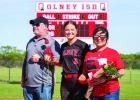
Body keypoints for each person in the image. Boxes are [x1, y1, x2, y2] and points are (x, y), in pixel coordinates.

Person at [79, 26, 125, 100]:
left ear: (107, 39)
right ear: (93, 38)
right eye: (96, 36)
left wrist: (106, 78)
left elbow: (121, 72)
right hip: (94, 92)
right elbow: (85, 72)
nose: (99, 38)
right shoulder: (88, 54)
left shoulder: (113, 52)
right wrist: (83, 78)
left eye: (102, 36)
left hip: (110, 92)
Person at [21, 16, 60, 100]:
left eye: (37, 24)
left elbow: (58, 61)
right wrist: (22, 79)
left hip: (44, 85)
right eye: (33, 25)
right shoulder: (30, 41)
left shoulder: (52, 42)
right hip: (28, 85)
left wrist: (40, 59)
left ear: (46, 27)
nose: (34, 26)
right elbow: (25, 61)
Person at [59, 20, 90, 100]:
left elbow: (88, 63)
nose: (69, 32)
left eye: (72, 29)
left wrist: (85, 75)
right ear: (64, 31)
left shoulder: (83, 45)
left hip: (78, 80)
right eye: (67, 30)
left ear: (76, 31)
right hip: (65, 82)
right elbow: (61, 63)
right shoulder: (63, 46)